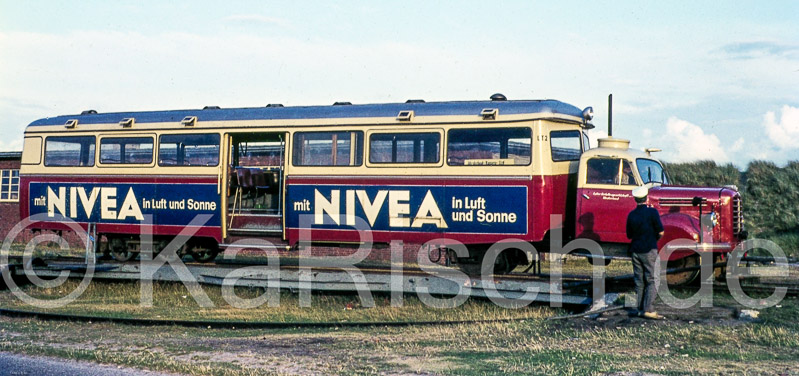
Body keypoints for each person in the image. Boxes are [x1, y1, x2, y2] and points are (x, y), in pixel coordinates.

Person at [626, 185, 665, 319]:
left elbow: (629, 235)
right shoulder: (653, 213)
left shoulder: (631, 215)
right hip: (649, 249)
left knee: (639, 280)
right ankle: (648, 309)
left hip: (635, 250)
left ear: (635, 199)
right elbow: (661, 231)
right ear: (647, 198)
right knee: (652, 279)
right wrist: (654, 239)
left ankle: (639, 308)